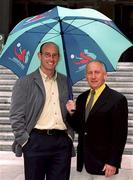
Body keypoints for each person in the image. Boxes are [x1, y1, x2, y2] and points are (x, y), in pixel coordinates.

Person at [10, 42, 74, 180]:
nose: (51, 59)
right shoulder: (25, 82)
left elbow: (70, 114)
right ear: (39, 56)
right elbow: (16, 115)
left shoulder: (65, 82)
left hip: (61, 143)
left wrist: (70, 134)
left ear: (59, 57)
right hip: (35, 142)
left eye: (55, 55)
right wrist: (25, 141)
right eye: (47, 55)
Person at [66, 60, 128, 180]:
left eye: (97, 72)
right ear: (86, 76)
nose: (93, 76)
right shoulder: (82, 98)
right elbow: (80, 128)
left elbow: (120, 134)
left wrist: (113, 162)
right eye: (90, 73)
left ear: (105, 75)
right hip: (84, 163)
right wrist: (71, 112)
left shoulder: (117, 99)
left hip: (105, 165)